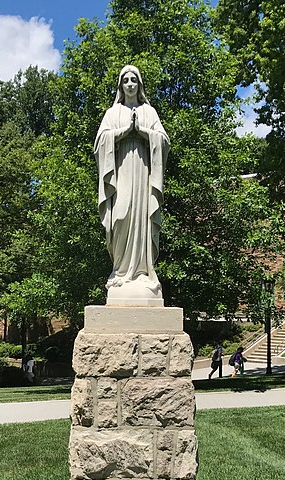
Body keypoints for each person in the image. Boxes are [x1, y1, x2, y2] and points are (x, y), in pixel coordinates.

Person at [94, 65, 170, 303]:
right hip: (121, 173)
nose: (129, 83)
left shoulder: (150, 111)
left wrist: (144, 132)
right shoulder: (112, 113)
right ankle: (120, 271)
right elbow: (99, 143)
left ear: (139, 84)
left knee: (142, 218)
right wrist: (124, 132)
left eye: (133, 80)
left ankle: (143, 273)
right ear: (120, 85)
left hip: (144, 173)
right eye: (125, 80)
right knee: (120, 217)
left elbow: (164, 140)